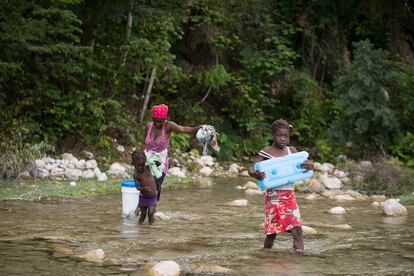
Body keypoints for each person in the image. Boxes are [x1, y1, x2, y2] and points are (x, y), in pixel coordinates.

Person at [248, 119, 314, 254]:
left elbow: (300, 167)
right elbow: (251, 168)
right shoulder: (266, 151)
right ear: (273, 135)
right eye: (280, 135)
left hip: (289, 196)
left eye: (286, 136)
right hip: (273, 197)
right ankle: (265, 253)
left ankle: (299, 257)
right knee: (272, 233)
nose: (283, 139)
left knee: (297, 229)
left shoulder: (292, 151)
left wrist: (308, 166)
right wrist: (256, 175)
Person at [141, 104, 200, 201]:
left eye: (160, 121)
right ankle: (140, 208)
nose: (157, 124)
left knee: (155, 186)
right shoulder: (149, 126)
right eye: (155, 120)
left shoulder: (168, 126)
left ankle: (152, 209)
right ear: (152, 118)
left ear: (165, 119)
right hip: (147, 160)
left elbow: (184, 129)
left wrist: (198, 128)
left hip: (160, 163)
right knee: (144, 185)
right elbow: (144, 143)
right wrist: (137, 157)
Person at [131, 151, 158, 224]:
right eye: (138, 165)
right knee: (143, 214)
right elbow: (137, 187)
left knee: (151, 213)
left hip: (153, 196)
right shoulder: (136, 174)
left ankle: (150, 230)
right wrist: (144, 189)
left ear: (145, 162)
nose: (140, 167)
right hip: (143, 197)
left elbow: (158, 163)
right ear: (133, 164)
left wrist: (153, 160)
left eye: (142, 165)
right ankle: (140, 227)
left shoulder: (148, 168)